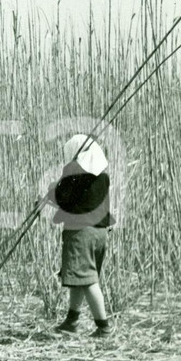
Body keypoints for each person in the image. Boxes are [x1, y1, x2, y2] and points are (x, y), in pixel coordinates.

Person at [45, 133, 115, 337]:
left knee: (87, 279)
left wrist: (53, 192)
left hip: (81, 233)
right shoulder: (102, 175)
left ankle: (103, 327)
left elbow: (66, 200)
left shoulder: (74, 172)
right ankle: (71, 320)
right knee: (80, 277)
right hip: (100, 233)